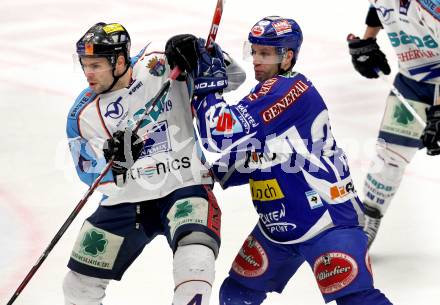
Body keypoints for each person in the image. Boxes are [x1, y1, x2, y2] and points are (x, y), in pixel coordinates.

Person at [171, 16, 394, 305]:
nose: (256, 60)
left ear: (287, 57)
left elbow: (219, 135)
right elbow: (251, 151)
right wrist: (203, 174)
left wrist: (207, 84)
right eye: (254, 51)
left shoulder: (285, 91)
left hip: (325, 220)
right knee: (237, 294)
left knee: (358, 300)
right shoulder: (268, 91)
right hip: (279, 226)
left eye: (265, 53)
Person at [64, 22, 245, 305]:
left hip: (183, 185)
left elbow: (235, 76)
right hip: (127, 200)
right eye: (85, 65)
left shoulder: (161, 64)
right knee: (77, 287)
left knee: (196, 261)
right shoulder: (82, 114)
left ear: (120, 61)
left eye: (96, 65)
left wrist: (200, 51)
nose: (88, 73)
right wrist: (115, 164)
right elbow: (89, 174)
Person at [347, 0, 440, 247]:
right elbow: (378, 8)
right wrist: (368, 40)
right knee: (388, 158)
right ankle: (368, 218)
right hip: (411, 81)